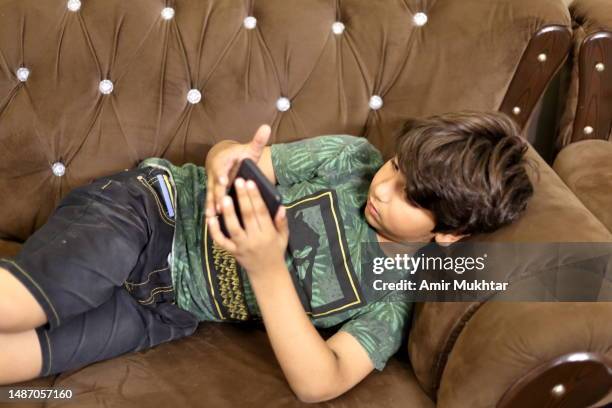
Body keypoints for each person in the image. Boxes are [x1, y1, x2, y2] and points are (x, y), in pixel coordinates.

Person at [0, 111, 534, 402]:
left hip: (165, 310)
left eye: (411, 196)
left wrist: (268, 267)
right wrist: (226, 159)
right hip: (149, 214)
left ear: (451, 233)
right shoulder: (350, 159)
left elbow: (319, 383)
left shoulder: (392, 293)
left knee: (16, 362)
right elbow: (232, 158)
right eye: (394, 165)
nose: (384, 188)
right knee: (24, 307)